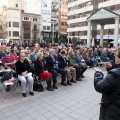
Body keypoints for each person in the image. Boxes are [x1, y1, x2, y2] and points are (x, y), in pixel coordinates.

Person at [94, 46, 120, 120]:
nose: (114, 56)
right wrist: (111, 68)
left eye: (116, 55)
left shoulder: (115, 74)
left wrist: (98, 74)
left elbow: (100, 87)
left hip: (113, 112)